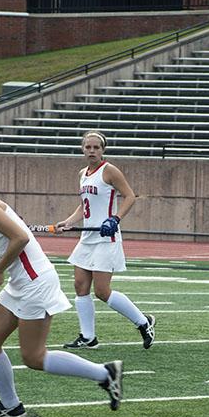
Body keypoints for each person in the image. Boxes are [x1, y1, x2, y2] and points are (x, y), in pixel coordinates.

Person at [0, 156, 123, 417]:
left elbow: (21, 237)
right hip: (20, 283)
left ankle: (106, 374)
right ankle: (11, 407)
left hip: (36, 282)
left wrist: (0, 270)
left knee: (33, 357)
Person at [55, 131, 155, 350]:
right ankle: (88, 337)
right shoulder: (83, 173)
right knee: (80, 286)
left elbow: (129, 196)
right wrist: (69, 221)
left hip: (106, 237)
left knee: (102, 291)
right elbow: (84, 204)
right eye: (88, 147)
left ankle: (143, 322)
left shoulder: (109, 171)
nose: (91, 151)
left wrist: (115, 219)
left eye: (96, 147)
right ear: (82, 149)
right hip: (87, 237)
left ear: (103, 150)